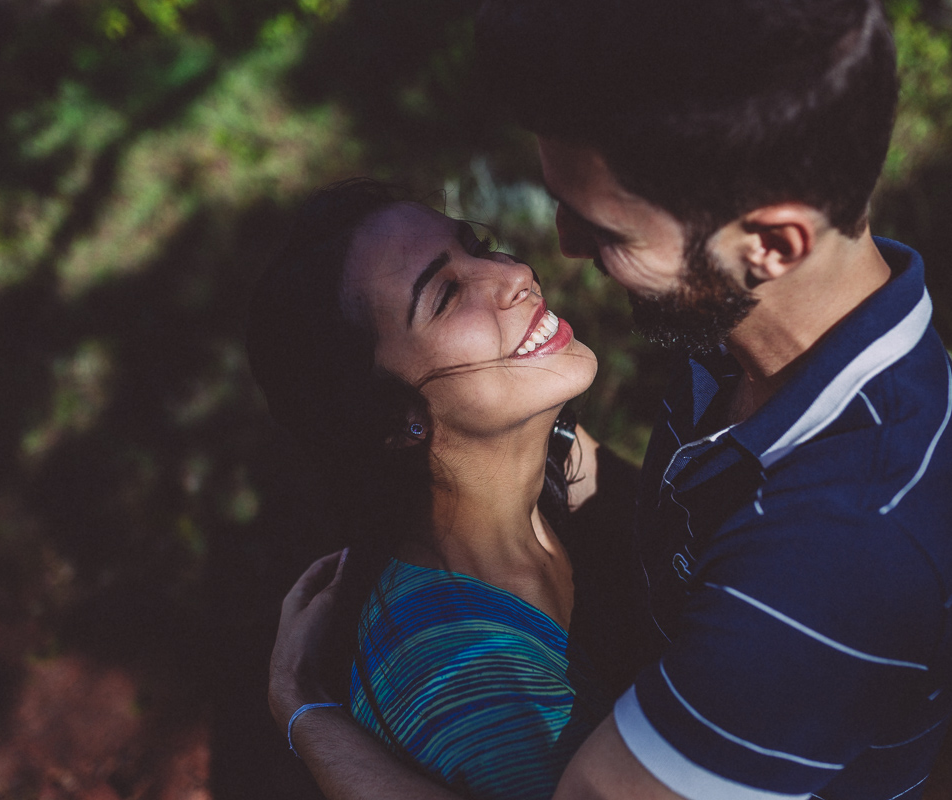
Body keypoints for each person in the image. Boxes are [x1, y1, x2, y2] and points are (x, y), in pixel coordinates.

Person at [267, 1, 952, 798]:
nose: (557, 252)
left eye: (608, 233)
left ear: (770, 243)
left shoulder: (840, 558)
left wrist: (307, 715)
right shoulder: (743, 335)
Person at [248, 178, 652, 799]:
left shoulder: (551, 457)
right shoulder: (476, 680)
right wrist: (301, 714)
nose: (514, 272)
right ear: (395, 419)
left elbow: (657, 513)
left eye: (478, 247)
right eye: (445, 295)